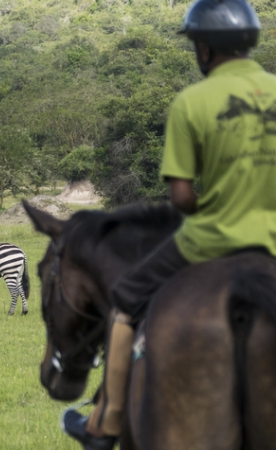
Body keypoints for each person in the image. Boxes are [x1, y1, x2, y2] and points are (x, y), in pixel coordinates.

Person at [60, 0, 276, 448]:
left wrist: (214, 208)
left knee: (124, 301)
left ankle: (108, 421)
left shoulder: (192, 101)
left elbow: (180, 197)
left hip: (206, 241)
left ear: (204, 49)